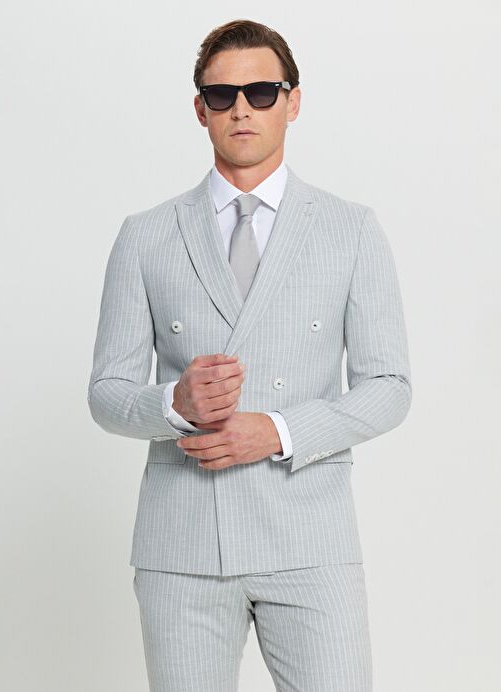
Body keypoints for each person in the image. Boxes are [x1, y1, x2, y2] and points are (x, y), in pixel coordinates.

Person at [87, 18, 411, 692]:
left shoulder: (350, 230)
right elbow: (107, 393)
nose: (242, 109)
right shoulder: (146, 235)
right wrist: (173, 404)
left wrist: (280, 431)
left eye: (262, 92)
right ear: (199, 108)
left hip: (310, 538)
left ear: (293, 102)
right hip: (182, 546)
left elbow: (388, 384)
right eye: (222, 95)